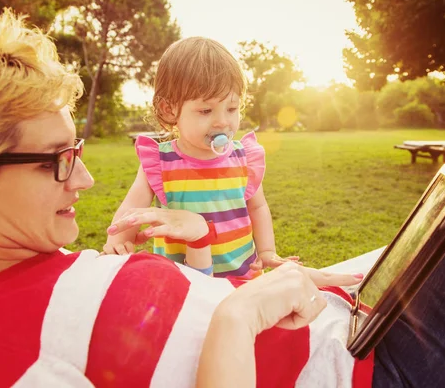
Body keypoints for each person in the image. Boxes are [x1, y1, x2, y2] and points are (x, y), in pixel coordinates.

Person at [0, 10, 445, 388]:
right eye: (58, 159)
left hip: (353, 329)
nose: (86, 180)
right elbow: (212, 328)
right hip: (374, 373)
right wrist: (238, 317)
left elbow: (170, 333)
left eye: (79, 150)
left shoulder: (46, 261)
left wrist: (202, 255)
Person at [104, 37, 300, 279]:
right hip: (183, 283)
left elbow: (257, 207)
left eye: (231, 109)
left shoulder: (243, 158)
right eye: (206, 111)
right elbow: (133, 209)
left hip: (241, 278)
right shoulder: (160, 163)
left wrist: (267, 250)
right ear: (170, 109)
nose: (222, 122)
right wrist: (118, 238)